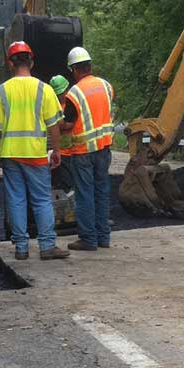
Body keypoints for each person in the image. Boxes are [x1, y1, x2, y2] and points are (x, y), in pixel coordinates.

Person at [0, 41, 70, 261]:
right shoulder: (45, 90)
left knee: (16, 200)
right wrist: (57, 151)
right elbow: (54, 125)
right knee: (42, 200)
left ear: (9, 63)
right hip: (35, 154)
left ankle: (21, 248)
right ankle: (47, 246)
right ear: (31, 61)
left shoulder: (1, 91)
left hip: (10, 154)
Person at [60, 46, 115, 252]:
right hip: (104, 149)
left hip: (83, 152)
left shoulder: (74, 93)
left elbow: (69, 123)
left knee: (84, 195)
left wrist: (55, 124)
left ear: (73, 69)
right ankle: (103, 238)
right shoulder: (106, 85)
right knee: (102, 192)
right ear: (90, 65)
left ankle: (88, 240)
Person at [49, 75, 74, 191]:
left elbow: (66, 124)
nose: (60, 96)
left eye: (61, 93)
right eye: (57, 94)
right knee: (58, 184)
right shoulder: (54, 106)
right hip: (59, 152)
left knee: (69, 183)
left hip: (72, 152)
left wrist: (62, 124)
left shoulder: (71, 104)